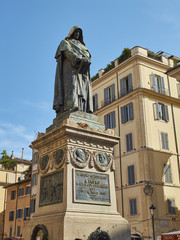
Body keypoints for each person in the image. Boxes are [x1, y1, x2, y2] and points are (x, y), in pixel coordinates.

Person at [53, 26, 93, 116]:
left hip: (82, 71)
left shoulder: (83, 46)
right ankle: (70, 106)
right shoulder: (65, 42)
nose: (77, 34)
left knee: (83, 89)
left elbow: (88, 55)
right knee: (72, 86)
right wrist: (79, 58)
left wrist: (84, 59)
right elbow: (68, 52)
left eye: (79, 33)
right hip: (71, 68)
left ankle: (82, 109)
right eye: (76, 32)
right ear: (71, 33)